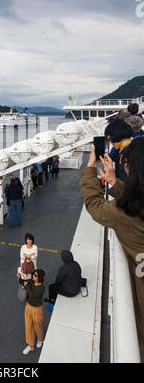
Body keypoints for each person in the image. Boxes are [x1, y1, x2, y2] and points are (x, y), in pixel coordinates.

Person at [80, 139, 144, 362]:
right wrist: (115, 182)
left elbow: (95, 207)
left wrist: (90, 170)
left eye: (127, 165)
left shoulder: (122, 212)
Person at [17, 269, 45, 355]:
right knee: (28, 326)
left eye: (35, 275)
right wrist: (19, 278)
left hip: (37, 309)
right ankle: (30, 345)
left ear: (39, 278)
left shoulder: (41, 287)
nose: (33, 276)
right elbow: (23, 282)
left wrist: (27, 286)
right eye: (33, 274)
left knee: (37, 326)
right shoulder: (31, 281)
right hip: (28, 307)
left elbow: (33, 295)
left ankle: (40, 339)